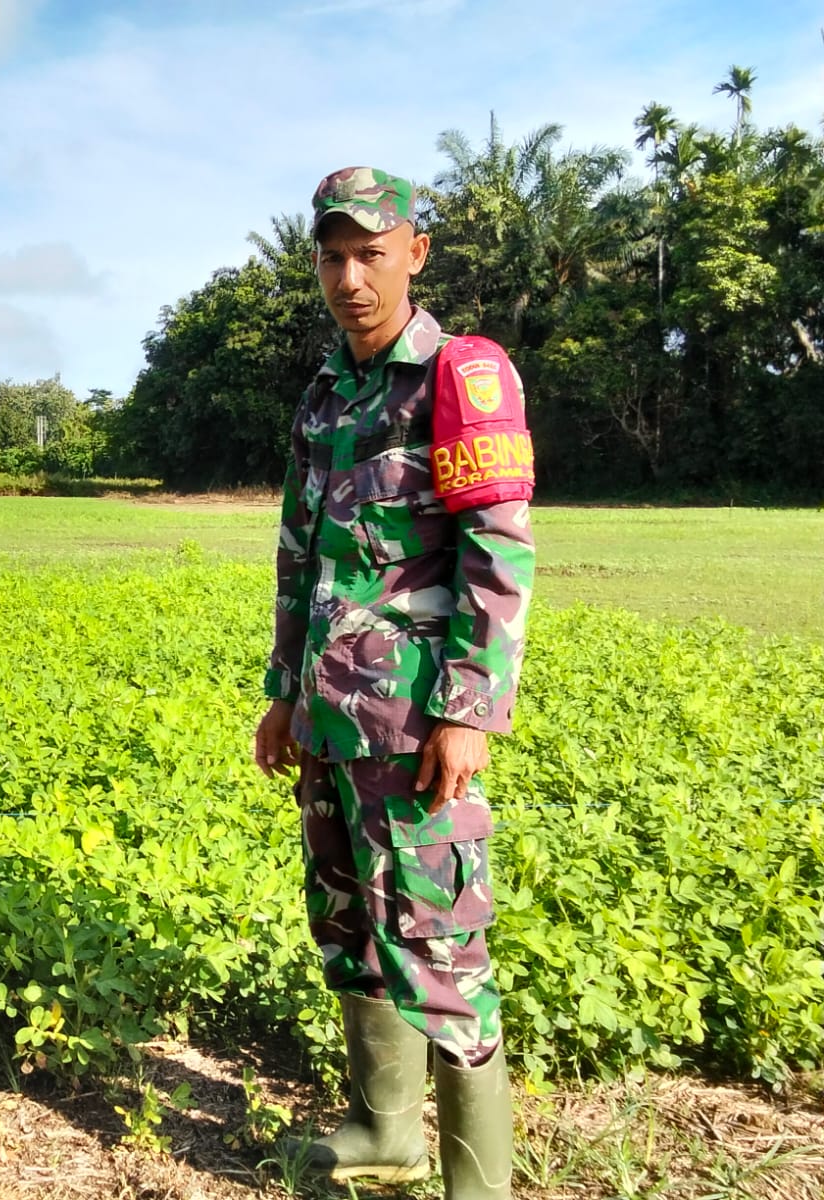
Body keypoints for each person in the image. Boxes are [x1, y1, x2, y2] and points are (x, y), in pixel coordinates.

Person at [253, 168, 535, 1199]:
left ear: (414, 253)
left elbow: (498, 556)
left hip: (417, 727)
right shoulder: (326, 393)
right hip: (332, 722)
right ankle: (383, 1130)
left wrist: (468, 711)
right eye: (331, 257)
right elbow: (300, 556)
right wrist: (285, 690)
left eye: (369, 253)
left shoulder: (461, 374)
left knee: (442, 950)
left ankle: (478, 1185)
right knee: (350, 929)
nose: (348, 277)